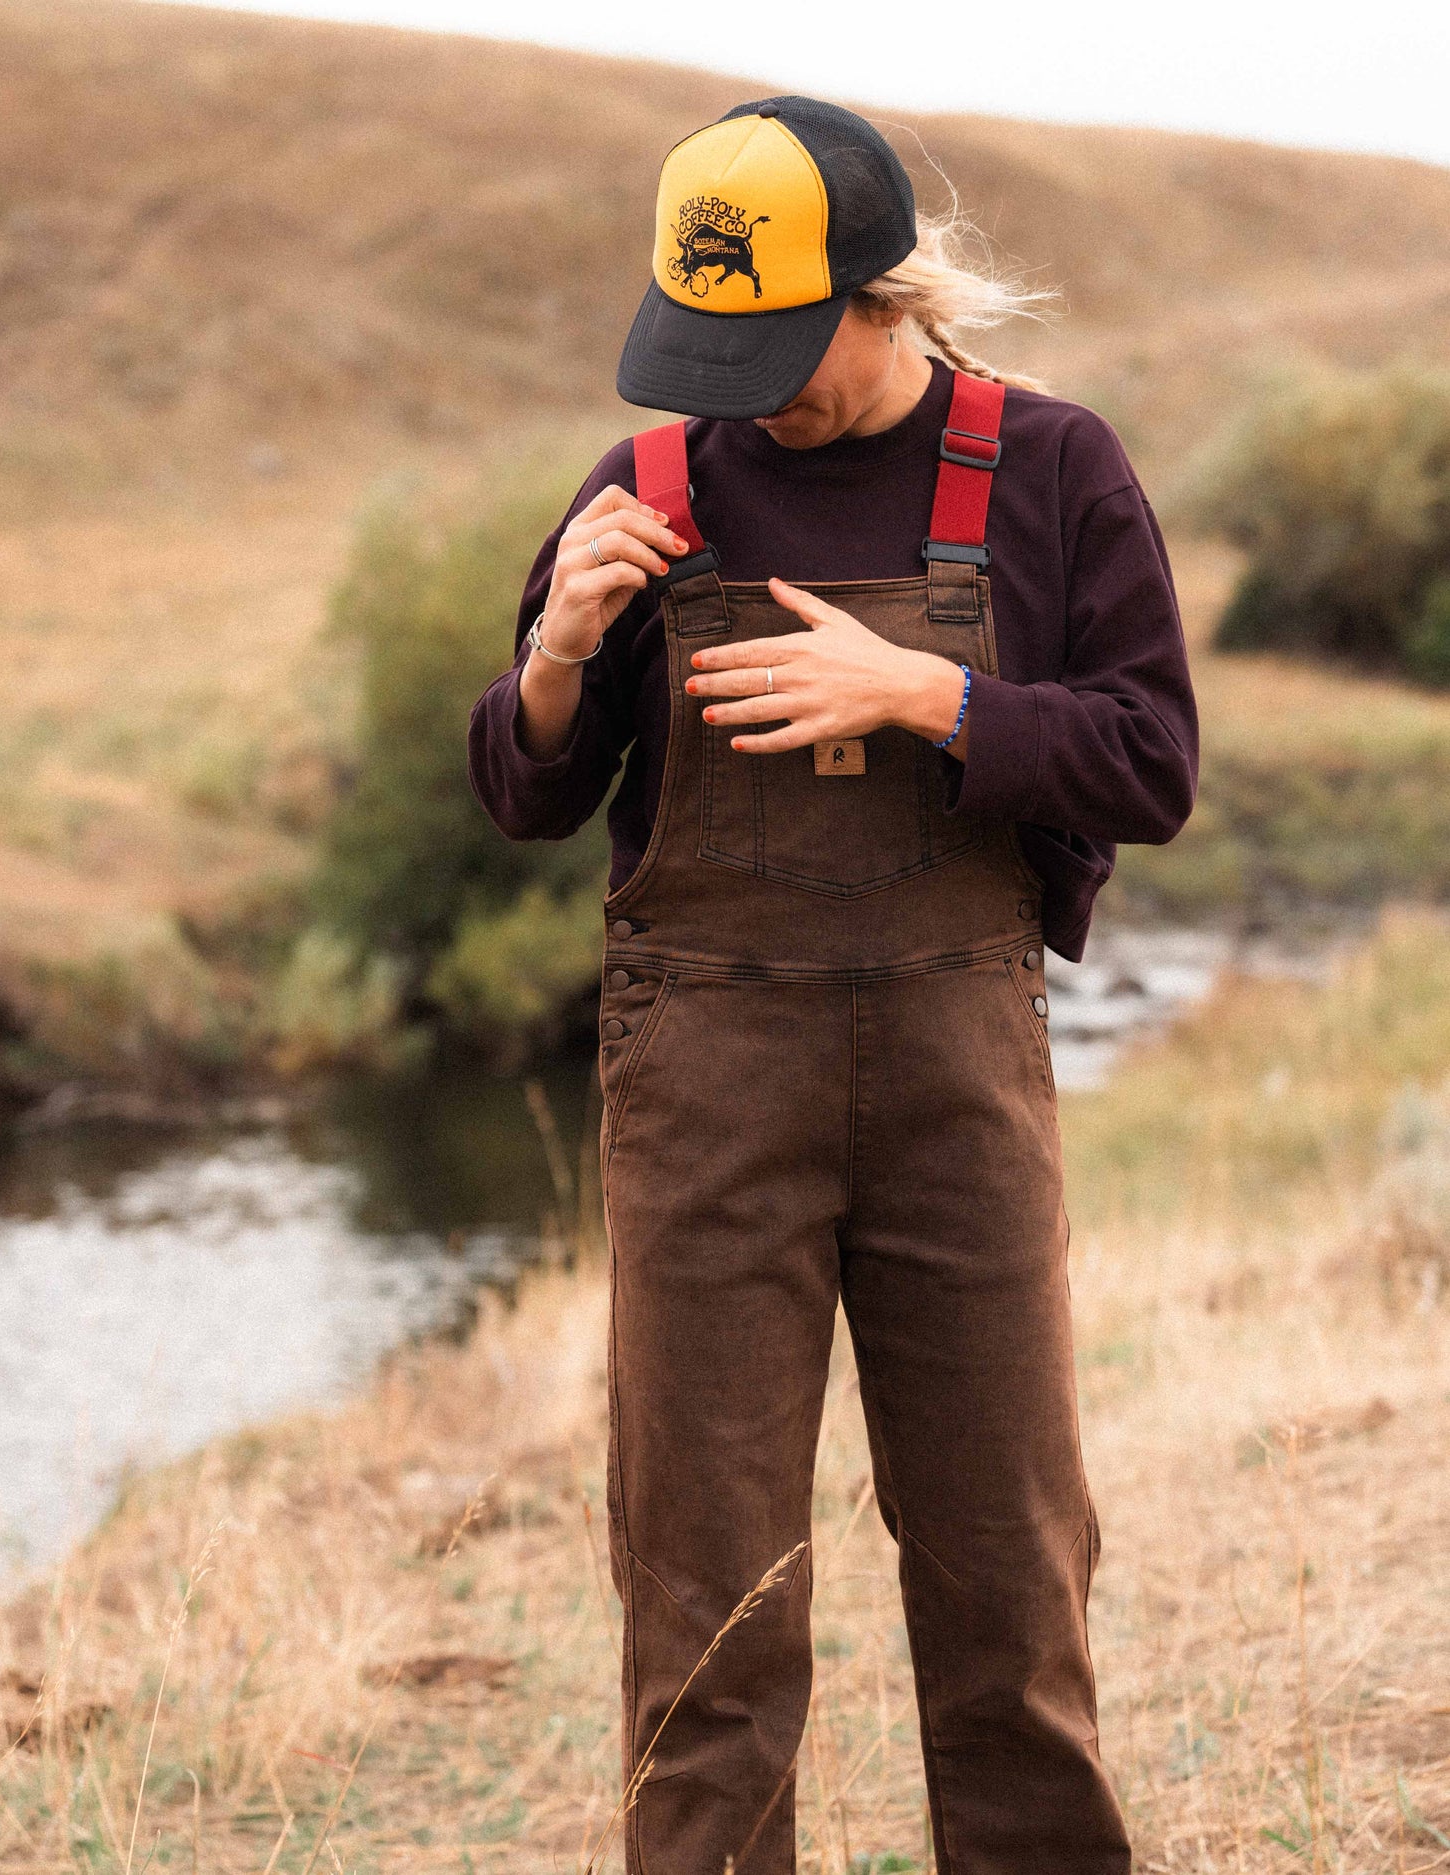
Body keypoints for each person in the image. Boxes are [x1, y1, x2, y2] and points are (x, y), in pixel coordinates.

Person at [469, 94, 1198, 1875]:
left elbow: (1154, 765)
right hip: (705, 1094)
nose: (743, 395)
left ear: (890, 297)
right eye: (709, 351)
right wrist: (559, 653)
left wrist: (930, 698)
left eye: (780, 348)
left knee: (1010, 1589)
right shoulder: (641, 490)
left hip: (961, 1086)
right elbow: (524, 792)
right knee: (705, 1612)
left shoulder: (1053, 469)